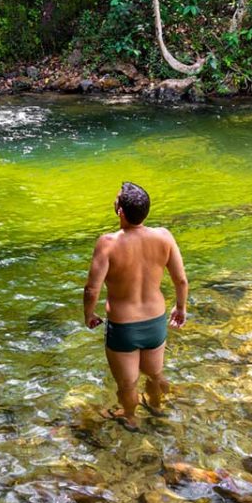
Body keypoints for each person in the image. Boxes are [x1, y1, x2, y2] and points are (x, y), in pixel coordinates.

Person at [83, 181, 188, 432]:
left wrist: (89, 314)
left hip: (123, 326)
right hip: (155, 321)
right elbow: (181, 279)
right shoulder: (164, 236)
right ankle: (157, 407)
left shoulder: (108, 243)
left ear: (120, 210)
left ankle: (130, 417)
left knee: (128, 384)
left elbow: (91, 289)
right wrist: (180, 308)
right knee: (154, 373)